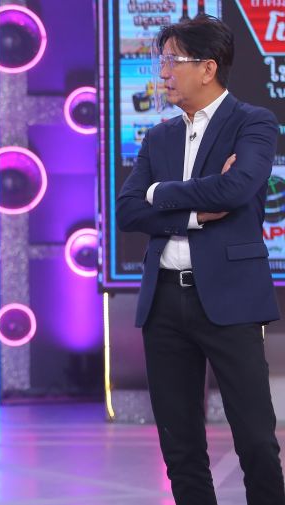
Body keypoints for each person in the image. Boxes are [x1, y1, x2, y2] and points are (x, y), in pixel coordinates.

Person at [117, 15, 285, 505]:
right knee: (180, 447)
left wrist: (160, 193)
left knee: (256, 439)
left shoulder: (253, 122)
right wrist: (192, 212)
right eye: (162, 61)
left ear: (208, 68)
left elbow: (237, 189)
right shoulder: (159, 137)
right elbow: (128, 210)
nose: (162, 72)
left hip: (231, 298)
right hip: (164, 303)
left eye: (173, 61)